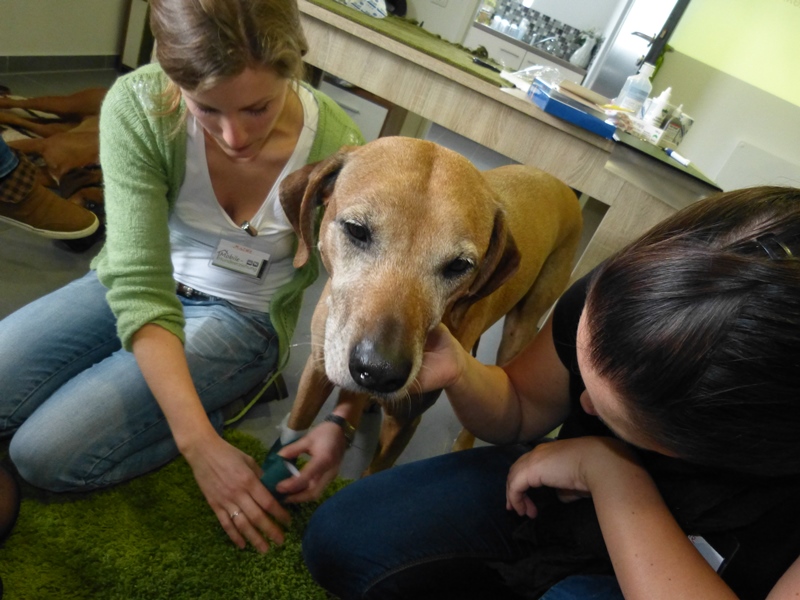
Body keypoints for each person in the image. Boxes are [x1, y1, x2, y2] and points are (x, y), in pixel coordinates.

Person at [298, 186, 800, 599]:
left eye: (626, 418)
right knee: (342, 538)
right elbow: (521, 406)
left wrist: (609, 472)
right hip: (556, 504)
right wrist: (462, 371)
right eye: (584, 373)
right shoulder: (635, 289)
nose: (582, 407)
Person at [0, 0, 363, 554]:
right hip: (136, 284)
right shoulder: (139, 103)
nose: (234, 136)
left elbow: (369, 292)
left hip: (241, 316)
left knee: (40, 456)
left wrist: (343, 418)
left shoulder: (340, 147)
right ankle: (191, 409)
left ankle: (240, 387)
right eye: (206, 108)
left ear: (295, 65)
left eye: (258, 108)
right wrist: (198, 445)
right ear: (171, 76)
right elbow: (138, 284)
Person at [0, 136, 99, 238]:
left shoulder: (66, 182)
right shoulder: (78, 159)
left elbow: (33, 175)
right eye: (90, 205)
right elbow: (40, 145)